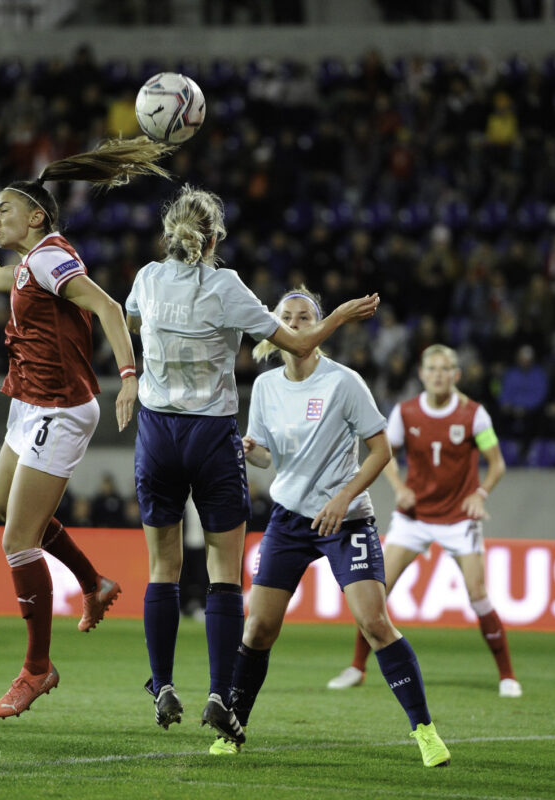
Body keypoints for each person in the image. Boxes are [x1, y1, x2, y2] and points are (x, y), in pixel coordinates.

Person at [0, 135, 174, 719]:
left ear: (35, 216)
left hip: (60, 409)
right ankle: (94, 581)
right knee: (6, 513)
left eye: (3, 209)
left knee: (15, 541)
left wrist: (129, 376)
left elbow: (106, 307)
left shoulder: (52, 256)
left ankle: (37, 668)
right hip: (27, 403)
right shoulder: (31, 263)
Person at [125, 185, 380, 745]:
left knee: (162, 569)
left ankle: (163, 682)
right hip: (212, 433)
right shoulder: (227, 286)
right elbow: (300, 339)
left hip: (157, 431)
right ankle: (220, 693)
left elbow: (129, 321)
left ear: (171, 235)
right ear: (214, 238)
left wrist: (129, 376)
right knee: (223, 573)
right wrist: (337, 314)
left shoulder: (145, 278)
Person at [210, 288, 450, 767]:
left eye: (305, 317)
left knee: (375, 622)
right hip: (290, 519)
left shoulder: (344, 383)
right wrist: (247, 448)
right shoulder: (265, 387)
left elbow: (380, 451)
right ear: (273, 329)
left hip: (347, 519)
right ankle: (233, 730)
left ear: (319, 327)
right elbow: (268, 457)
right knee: (257, 629)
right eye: (288, 318)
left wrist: (343, 498)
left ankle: (425, 730)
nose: (296, 324)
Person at [327, 344, 522, 699]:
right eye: (431, 369)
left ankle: (507, 675)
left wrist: (480, 494)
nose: (438, 374)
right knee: (375, 592)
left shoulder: (474, 414)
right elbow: (385, 455)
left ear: (456, 375)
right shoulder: (405, 412)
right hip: (413, 518)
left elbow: (498, 464)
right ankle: (357, 667)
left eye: (445, 369)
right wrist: (399, 487)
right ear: (422, 374)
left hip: (458, 517)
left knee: (478, 595)